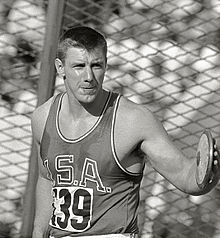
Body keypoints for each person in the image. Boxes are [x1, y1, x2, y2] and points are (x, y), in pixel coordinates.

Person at [31, 26, 220, 238]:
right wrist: (39, 231)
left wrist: (208, 171)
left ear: (105, 65)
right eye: (78, 66)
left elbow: (187, 179)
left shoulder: (133, 120)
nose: (88, 76)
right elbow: (47, 178)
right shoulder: (42, 117)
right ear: (60, 67)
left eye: (96, 66)